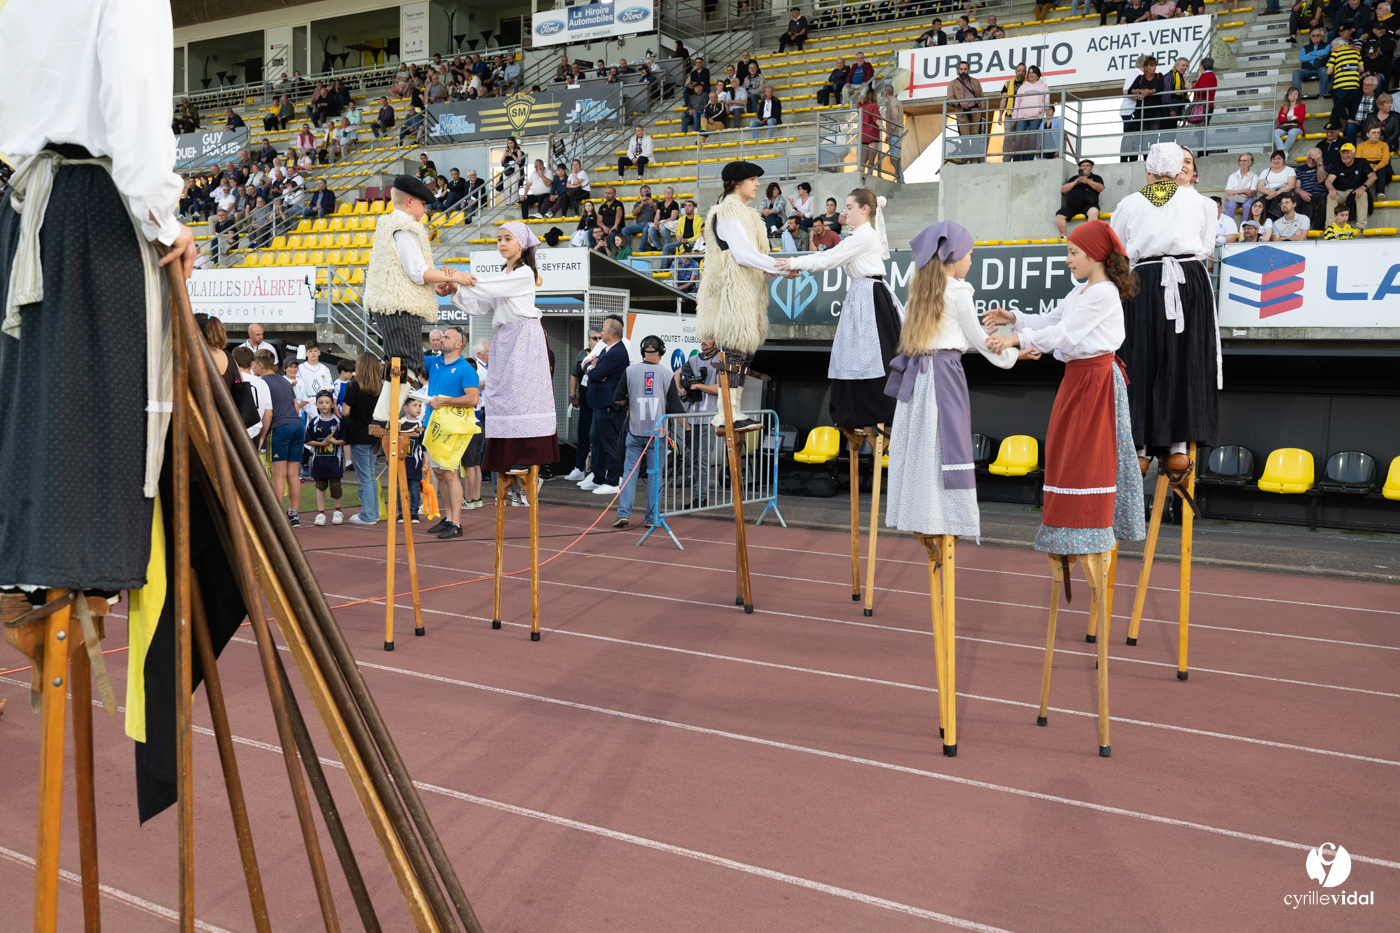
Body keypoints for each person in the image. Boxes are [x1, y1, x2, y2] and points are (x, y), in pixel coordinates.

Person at [984, 220, 1146, 565]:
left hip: (1096, 380)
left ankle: (1091, 526)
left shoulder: (1103, 293)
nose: (1069, 260)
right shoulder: (1081, 291)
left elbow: (1064, 334)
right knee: (1070, 450)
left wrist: (1015, 339)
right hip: (1078, 378)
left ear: (1095, 255)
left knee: (1090, 455)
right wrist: (1013, 318)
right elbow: (1050, 322)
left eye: (1073, 253)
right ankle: (1071, 530)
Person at [1109, 143, 1220, 480]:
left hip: (1143, 279)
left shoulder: (1130, 203)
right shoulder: (1201, 202)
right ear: (1178, 171)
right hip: (1188, 278)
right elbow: (1206, 246)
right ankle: (1179, 448)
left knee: (1142, 358)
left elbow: (1118, 248)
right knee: (1186, 357)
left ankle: (1140, 449)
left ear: (1148, 171)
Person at [437, 222, 560, 481]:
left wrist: (456, 277)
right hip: (507, 337)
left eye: (507, 239)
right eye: (499, 239)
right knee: (501, 391)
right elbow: (479, 306)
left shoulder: (524, 272)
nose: (502, 244)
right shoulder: (504, 274)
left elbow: (486, 289)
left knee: (520, 392)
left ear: (522, 244)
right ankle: (508, 455)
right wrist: (456, 286)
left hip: (524, 337)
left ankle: (526, 456)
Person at [778, 189, 900, 431]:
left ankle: (876, 413)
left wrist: (793, 262)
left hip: (869, 295)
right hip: (862, 293)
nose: (845, 211)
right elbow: (829, 257)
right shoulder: (859, 235)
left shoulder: (863, 236)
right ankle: (861, 414)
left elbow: (828, 259)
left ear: (865, 209)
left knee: (871, 353)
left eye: (849, 207)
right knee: (856, 352)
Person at [696, 161, 789, 433]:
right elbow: (743, 253)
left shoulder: (744, 213)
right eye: (753, 179)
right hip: (732, 290)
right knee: (736, 353)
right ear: (738, 183)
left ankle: (733, 412)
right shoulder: (727, 211)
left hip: (745, 288)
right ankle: (727, 413)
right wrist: (777, 268)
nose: (758, 184)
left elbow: (749, 254)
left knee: (743, 355)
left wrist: (770, 267)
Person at [362, 176, 455, 379]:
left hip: (389, 307)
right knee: (409, 367)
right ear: (410, 201)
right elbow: (417, 272)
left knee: (396, 365)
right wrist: (456, 277)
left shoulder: (388, 224)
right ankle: (393, 410)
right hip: (400, 309)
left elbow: (400, 272)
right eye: (423, 204)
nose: (425, 209)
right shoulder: (405, 227)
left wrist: (433, 284)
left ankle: (388, 410)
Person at [613, 335, 684, 528]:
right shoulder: (666, 374)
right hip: (657, 435)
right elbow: (676, 409)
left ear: (643, 351)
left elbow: (618, 399)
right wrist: (688, 431)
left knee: (629, 473)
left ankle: (623, 513)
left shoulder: (630, 371)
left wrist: (633, 402)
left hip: (635, 432)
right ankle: (652, 518)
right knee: (654, 476)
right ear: (661, 352)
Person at [421, 326, 479, 539]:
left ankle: (456, 522)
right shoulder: (435, 362)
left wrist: (445, 400)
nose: (440, 340)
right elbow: (413, 359)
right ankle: (448, 518)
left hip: (452, 429)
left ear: (458, 344)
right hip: (434, 426)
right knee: (439, 473)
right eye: (440, 337)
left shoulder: (465, 368)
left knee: (449, 474)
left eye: (445, 337)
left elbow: (473, 398)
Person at [253, 349, 305, 525]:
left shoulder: (261, 382)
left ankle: (275, 517)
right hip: (297, 426)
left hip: (279, 427)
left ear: (260, 365)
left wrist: (261, 436)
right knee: (293, 474)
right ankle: (293, 515)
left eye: (253, 364)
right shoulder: (285, 381)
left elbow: (267, 414)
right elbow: (296, 406)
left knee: (278, 475)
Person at [580, 317, 630, 493]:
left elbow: (595, 373)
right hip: (601, 403)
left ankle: (613, 481)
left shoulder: (617, 351)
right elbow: (589, 366)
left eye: (603, 330)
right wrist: (591, 367)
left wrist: (593, 368)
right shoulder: (609, 350)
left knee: (610, 443)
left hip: (609, 404)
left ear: (611, 333)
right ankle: (599, 477)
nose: (600, 334)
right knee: (599, 441)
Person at [566, 327, 602, 482]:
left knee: (597, 437)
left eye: (601, 338)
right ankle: (579, 468)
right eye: (595, 338)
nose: (598, 341)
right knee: (583, 435)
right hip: (585, 402)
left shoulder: (605, 354)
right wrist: (572, 395)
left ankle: (596, 470)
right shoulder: (582, 354)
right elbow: (574, 375)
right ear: (589, 340)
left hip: (600, 402)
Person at [305, 390, 346, 525]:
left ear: (332, 404)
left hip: (335, 462)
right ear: (316, 404)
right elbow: (308, 440)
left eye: (327, 402)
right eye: (321, 403)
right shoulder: (313, 422)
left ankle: (338, 511)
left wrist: (335, 442)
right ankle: (321, 513)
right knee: (320, 487)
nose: (324, 405)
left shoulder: (338, 422)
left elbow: (345, 440)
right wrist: (320, 444)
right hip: (319, 462)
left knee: (335, 486)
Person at [1326, 142, 1377, 227]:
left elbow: (1373, 176)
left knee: (1362, 194)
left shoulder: (1362, 162)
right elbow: (1329, 180)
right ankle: (1331, 227)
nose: (1345, 155)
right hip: (1342, 192)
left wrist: (1363, 187)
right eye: (1343, 153)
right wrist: (1331, 188)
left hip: (1356, 190)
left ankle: (1361, 227)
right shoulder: (1337, 163)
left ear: (1354, 153)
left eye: (1348, 153)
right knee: (1331, 196)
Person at [946, 60, 986, 162]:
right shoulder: (953, 83)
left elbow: (982, 96)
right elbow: (949, 99)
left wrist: (981, 108)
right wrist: (959, 103)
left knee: (975, 137)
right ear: (958, 70)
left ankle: (975, 160)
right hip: (962, 113)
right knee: (965, 137)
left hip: (975, 112)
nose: (963, 71)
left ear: (968, 70)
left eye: (965, 69)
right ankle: (968, 159)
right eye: (961, 69)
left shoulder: (975, 81)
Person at [1009, 66, 1050, 161]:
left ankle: (1029, 159)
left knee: (1032, 139)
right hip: (1022, 117)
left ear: (1038, 75)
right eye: (1030, 72)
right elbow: (1017, 102)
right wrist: (1014, 116)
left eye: (1033, 72)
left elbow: (1046, 101)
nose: (1031, 74)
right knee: (1019, 137)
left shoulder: (1043, 86)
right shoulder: (1023, 87)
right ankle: (1017, 159)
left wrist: (1039, 110)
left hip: (1036, 117)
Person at [1056, 159, 1106, 236]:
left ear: (1091, 167)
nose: (1084, 167)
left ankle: (1089, 235)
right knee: (1059, 215)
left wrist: (1087, 181)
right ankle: (1063, 236)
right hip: (1072, 207)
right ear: (1079, 168)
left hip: (1089, 206)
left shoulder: (1096, 177)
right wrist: (1075, 182)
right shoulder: (1074, 178)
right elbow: (1063, 189)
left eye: (1087, 166)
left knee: (1094, 212)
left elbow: (1101, 188)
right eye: (1082, 166)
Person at [1255, 149, 1298, 218]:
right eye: (1274, 159)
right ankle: (1263, 224)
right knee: (1261, 203)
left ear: (1283, 160)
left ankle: (1274, 223)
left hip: (1283, 193)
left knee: (1278, 202)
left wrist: (1277, 192)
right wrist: (1269, 192)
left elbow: (1291, 185)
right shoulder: (1265, 172)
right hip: (1268, 193)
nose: (1276, 161)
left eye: (1279, 159)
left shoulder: (1289, 170)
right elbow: (1260, 187)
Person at [1295, 147, 1330, 228]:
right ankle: (1300, 227)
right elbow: (1297, 187)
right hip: (1305, 193)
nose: (1310, 160)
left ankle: (1317, 228)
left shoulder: (1326, 166)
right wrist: (1302, 192)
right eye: (1309, 157)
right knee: (1294, 202)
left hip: (1321, 193)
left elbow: (1321, 179)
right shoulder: (1300, 169)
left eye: (1314, 158)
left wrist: (1319, 163)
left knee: (1324, 203)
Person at [1356, 121, 1394, 196]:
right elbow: (1358, 159)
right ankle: (1363, 194)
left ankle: (1380, 193)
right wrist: (1368, 168)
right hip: (1365, 165)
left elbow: (1385, 160)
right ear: (1367, 134)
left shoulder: (1384, 145)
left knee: (1382, 170)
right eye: (1373, 132)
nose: (1376, 134)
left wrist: (1375, 168)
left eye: (1378, 132)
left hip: (1379, 166)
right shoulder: (1361, 145)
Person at [663, 200, 704, 266]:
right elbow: (678, 231)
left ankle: (679, 262)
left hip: (693, 242)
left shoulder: (699, 219)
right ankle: (663, 267)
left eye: (689, 206)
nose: (687, 208)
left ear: (694, 208)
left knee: (689, 245)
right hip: (682, 242)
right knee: (666, 247)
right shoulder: (681, 219)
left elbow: (699, 235)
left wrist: (688, 240)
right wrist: (678, 236)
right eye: (686, 206)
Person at [1223, 153, 1259, 221]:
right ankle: (1228, 228)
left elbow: (1252, 193)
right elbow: (1229, 193)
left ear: (1250, 162)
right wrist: (1245, 191)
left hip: (1248, 199)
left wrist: (1235, 192)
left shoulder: (1255, 176)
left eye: (1245, 161)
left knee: (1247, 206)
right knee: (1231, 205)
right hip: (1234, 199)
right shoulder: (1232, 176)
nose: (1242, 163)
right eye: (1240, 160)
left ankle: (1245, 228)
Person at [1295, 29, 1332, 94]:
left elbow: (1325, 53)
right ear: (1310, 37)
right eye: (1313, 35)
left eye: (1317, 35)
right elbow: (1301, 58)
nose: (1315, 37)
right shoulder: (1305, 47)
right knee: (1296, 73)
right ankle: (1298, 96)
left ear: (1322, 37)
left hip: (1320, 68)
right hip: (1307, 69)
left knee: (1324, 71)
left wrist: (1310, 53)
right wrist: (1315, 56)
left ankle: (1322, 94)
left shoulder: (1327, 45)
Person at [1275, 87, 1307, 154]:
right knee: (1275, 133)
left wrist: (1286, 118)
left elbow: (1301, 119)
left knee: (1292, 132)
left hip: (1296, 127)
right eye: (1291, 94)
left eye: (1295, 93)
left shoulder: (1302, 106)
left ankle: (1283, 153)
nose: (1293, 95)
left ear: (1298, 96)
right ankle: (1283, 152)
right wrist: (1293, 117)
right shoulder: (1283, 107)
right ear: (1288, 96)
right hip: (1284, 127)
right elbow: (1280, 119)